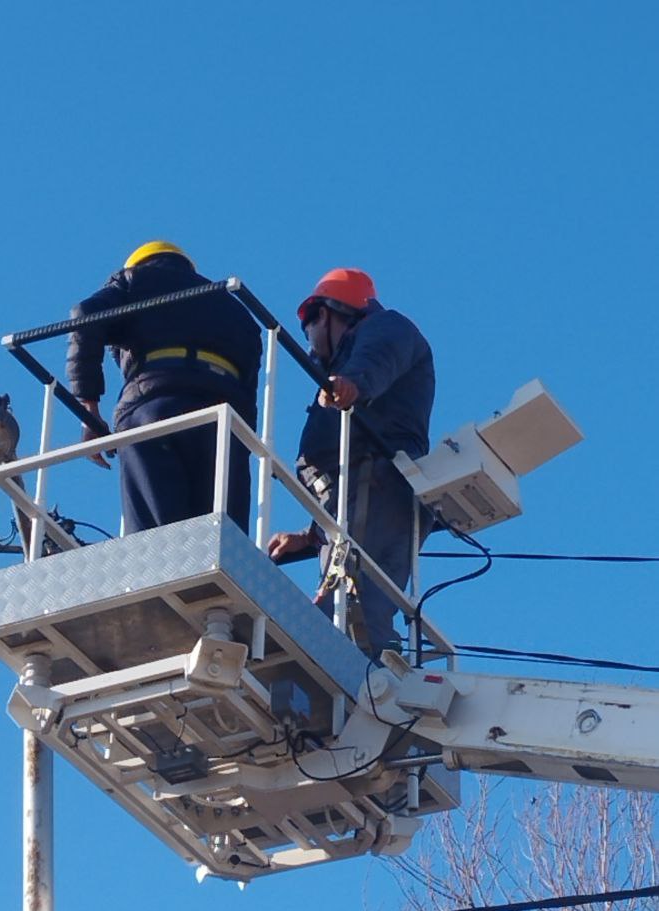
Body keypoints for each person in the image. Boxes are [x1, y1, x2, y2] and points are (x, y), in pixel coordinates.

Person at [267, 268, 434, 658]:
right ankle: (372, 686)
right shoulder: (356, 350)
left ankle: (367, 690)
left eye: (310, 331)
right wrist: (311, 536)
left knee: (349, 612)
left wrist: (353, 383)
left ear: (326, 314)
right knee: (351, 606)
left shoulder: (382, 328)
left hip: (372, 484)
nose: (310, 346)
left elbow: (380, 358)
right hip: (360, 495)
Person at [65, 241, 263, 534]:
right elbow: (250, 387)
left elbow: (85, 315)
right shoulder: (236, 311)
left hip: (153, 408)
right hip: (223, 422)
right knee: (220, 540)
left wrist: (89, 407)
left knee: (155, 540)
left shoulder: (134, 281)